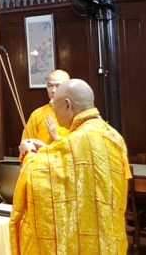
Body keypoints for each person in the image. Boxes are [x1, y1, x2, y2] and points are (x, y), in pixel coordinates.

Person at [10, 79, 131, 255]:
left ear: (67, 105)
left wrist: (28, 155)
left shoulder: (81, 139)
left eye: (55, 107)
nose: (53, 112)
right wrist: (48, 150)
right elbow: (75, 165)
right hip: (107, 232)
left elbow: (42, 180)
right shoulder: (112, 135)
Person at [21, 69, 70, 145]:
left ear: (68, 88)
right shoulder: (37, 114)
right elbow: (26, 145)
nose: (53, 90)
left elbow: (79, 146)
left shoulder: (75, 113)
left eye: (58, 86)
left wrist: (57, 138)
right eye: (50, 86)